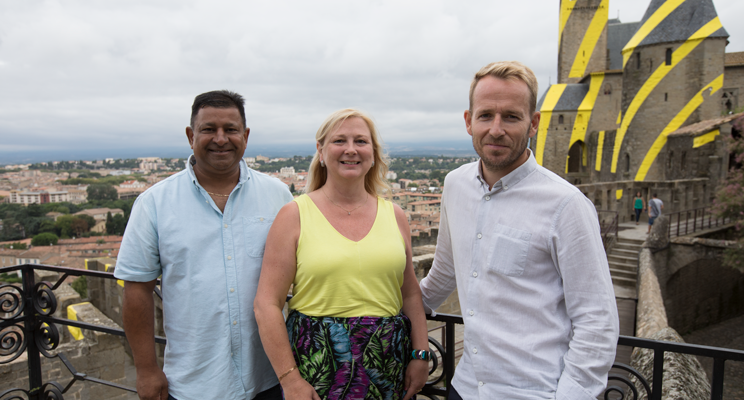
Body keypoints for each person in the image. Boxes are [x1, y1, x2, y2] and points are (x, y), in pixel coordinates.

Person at [419, 61, 619, 400]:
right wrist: (376, 310)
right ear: (468, 121)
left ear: (533, 123)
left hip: (534, 392)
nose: (496, 129)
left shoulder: (566, 205)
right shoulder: (455, 185)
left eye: (511, 117)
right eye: (485, 115)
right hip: (466, 387)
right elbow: (443, 275)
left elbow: (597, 321)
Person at [115, 90, 293, 400]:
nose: (220, 139)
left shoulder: (278, 196)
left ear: (245, 136)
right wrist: (146, 369)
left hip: (270, 378)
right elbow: (137, 290)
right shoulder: (154, 203)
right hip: (194, 385)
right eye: (209, 129)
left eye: (231, 129)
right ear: (190, 136)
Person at [254, 109, 429, 400]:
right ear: (321, 151)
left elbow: (409, 293)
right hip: (318, 369)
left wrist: (420, 354)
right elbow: (266, 304)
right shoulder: (294, 215)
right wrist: (290, 380)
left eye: (361, 141)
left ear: (373, 153)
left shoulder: (395, 215)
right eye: (339, 141)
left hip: (387, 366)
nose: (351, 149)